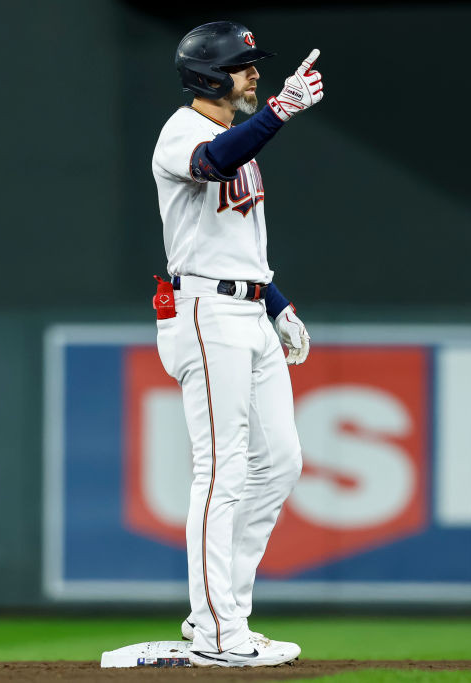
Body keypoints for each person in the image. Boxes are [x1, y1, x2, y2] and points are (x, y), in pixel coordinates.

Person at [150, 20, 324, 668]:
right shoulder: (184, 132)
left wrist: (278, 306)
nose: (253, 74)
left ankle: (227, 616)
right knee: (219, 471)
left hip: (247, 309)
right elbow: (211, 165)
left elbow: (241, 249)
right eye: (243, 65)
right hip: (204, 311)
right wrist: (279, 109)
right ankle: (216, 630)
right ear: (209, 75)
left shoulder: (236, 136)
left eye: (253, 66)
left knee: (280, 461)